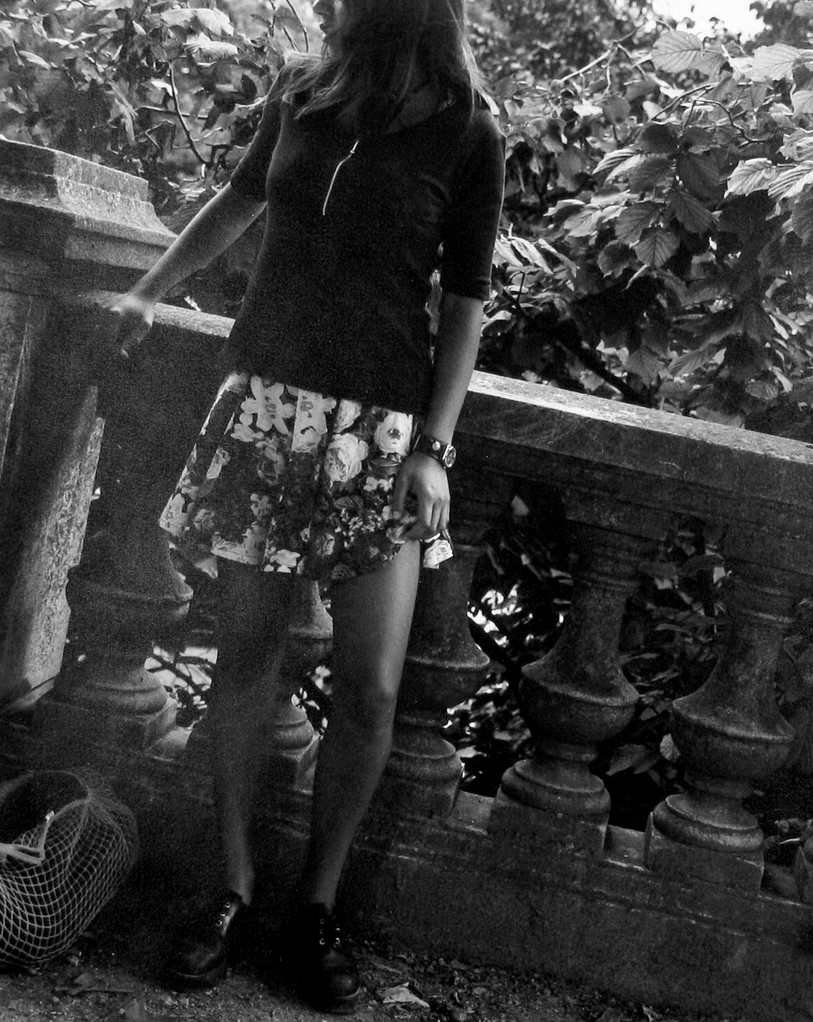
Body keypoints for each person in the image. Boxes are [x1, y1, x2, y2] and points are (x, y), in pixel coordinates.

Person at [104, 0, 504, 1012]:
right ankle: (232, 887)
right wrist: (150, 288)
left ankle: (314, 908)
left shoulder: (468, 129)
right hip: (267, 407)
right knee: (247, 652)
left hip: (380, 430)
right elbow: (238, 201)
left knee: (371, 685)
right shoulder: (302, 90)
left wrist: (436, 448)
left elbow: (465, 301)